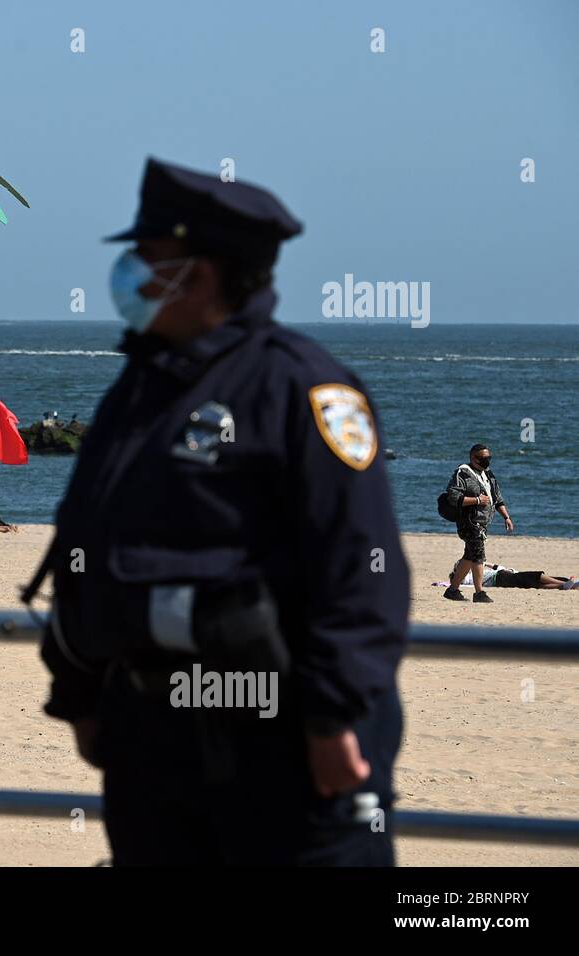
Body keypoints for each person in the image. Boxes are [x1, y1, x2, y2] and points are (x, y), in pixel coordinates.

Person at [29, 158, 409, 866]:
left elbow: (359, 565)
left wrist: (333, 716)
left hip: (281, 738)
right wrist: (77, 692)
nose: (131, 273)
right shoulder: (140, 388)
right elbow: (85, 538)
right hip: (152, 743)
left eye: (146, 257)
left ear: (199, 273)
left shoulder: (305, 388)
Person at [443, 444, 512, 603]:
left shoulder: (489, 475)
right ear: (473, 458)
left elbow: (497, 499)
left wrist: (506, 517)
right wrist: (477, 500)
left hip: (482, 523)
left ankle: (452, 590)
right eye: (483, 458)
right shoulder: (463, 474)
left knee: (469, 556)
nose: (487, 461)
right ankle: (479, 592)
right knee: (478, 556)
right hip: (469, 522)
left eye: (489, 458)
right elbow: (453, 497)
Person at [449, 563, 577, 590]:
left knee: (534, 584)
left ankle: (567, 585)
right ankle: (563, 584)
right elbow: (461, 582)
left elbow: (497, 567)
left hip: (504, 575)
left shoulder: (474, 572)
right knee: (535, 576)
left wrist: (485, 562)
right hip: (500, 578)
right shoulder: (467, 579)